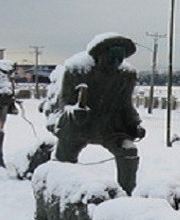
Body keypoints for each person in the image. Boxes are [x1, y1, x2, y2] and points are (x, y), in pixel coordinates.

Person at [42, 33, 146, 195]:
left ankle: (125, 195)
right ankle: (58, 192)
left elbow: (126, 103)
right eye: (111, 58)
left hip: (111, 128)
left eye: (120, 59)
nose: (115, 63)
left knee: (129, 151)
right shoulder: (77, 70)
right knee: (64, 158)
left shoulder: (126, 75)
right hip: (78, 124)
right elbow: (65, 102)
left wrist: (134, 123)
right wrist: (75, 112)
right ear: (100, 55)